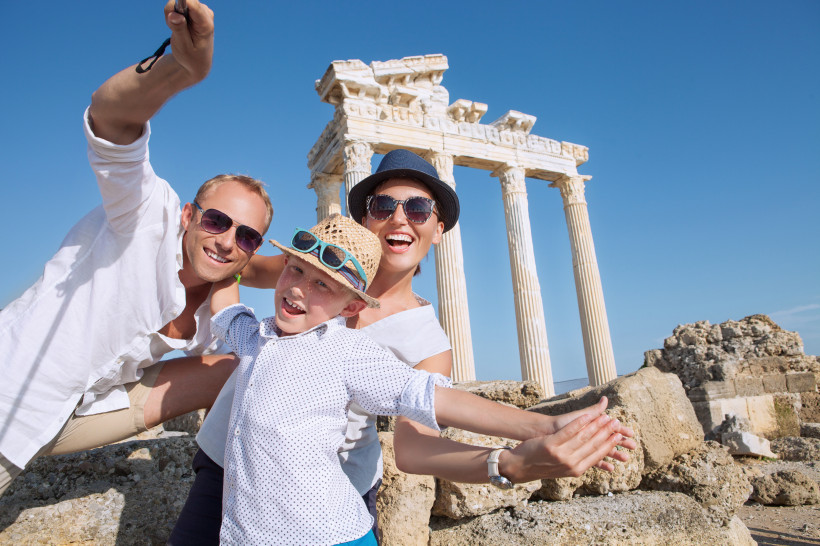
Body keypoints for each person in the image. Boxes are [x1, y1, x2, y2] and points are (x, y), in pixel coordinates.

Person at [170, 149, 636, 544]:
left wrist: (514, 457)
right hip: (224, 463)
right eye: (382, 205)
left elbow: (416, 446)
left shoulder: (426, 340)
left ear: (439, 228)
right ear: (364, 218)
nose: (398, 218)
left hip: (320, 503)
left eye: (417, 209)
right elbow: (230, 263)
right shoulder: (316, 265)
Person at [0, 0, 267, 495]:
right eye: (217, 220)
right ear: (187, 216)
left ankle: (224, 491)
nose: (228, 240)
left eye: (247, 236)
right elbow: (110, 119)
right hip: (9, 398)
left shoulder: (216, 309)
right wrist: (179, 68)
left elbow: (286, 275)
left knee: (239, 367)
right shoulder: (146, 215)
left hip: (72, 415)